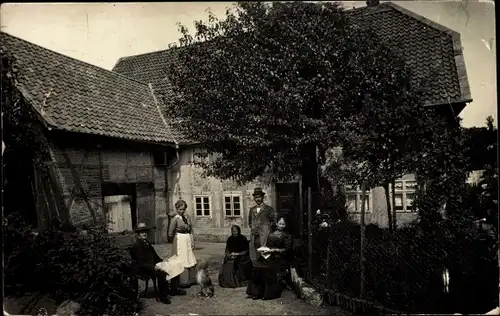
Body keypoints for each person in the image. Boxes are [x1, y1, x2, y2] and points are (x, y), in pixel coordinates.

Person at [129, 222, 186, 305]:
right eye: (142, 232)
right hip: (143, 269)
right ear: (138, 234)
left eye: (145, 232)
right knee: (161, 273)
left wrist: (163, 260)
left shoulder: (147, 243)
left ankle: (174, 289)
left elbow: (155, 257)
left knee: (173, 265)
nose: (144, 234)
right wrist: (153, 267)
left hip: (151, 266)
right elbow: (140, 262)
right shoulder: (137, 246)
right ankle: (162, 296)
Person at [246, 217, 293, 300]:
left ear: (286, 225)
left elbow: (287, 250)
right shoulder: (272, 232)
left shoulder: (287, 235)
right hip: (268, 255)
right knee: (257, 266)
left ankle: (268, 293)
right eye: (280, 223)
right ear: (277, 223)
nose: (281, 226)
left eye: (283, 224)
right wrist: (264, 249)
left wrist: (273, 250)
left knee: (267, 268)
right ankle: (257, 292)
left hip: (278, 257)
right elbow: (267, 244)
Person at [168, 199, 197, 288]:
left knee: (188, 257)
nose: (182, 211)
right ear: (177, 209)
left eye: (183, 209)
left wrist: (192, 241)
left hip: (187, 239)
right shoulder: (175, 219)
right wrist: (176, 239)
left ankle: (191, 279)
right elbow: (170, 233)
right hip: (179, 240)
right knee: (181, 258)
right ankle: (181, 281)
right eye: (180, 209)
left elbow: (191, 230)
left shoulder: (187, 217)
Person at [248, 187, 277, 262]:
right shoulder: (252, 210)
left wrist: (267, 230)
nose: (257, 199)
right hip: (255, 237)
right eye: (256, 197)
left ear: (262, 197)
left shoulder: (269, 209)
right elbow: (250, 223)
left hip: (265, 237)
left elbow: (274, 222)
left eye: (259, 197)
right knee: (256, 257)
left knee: (266, 257)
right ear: (254, 198)